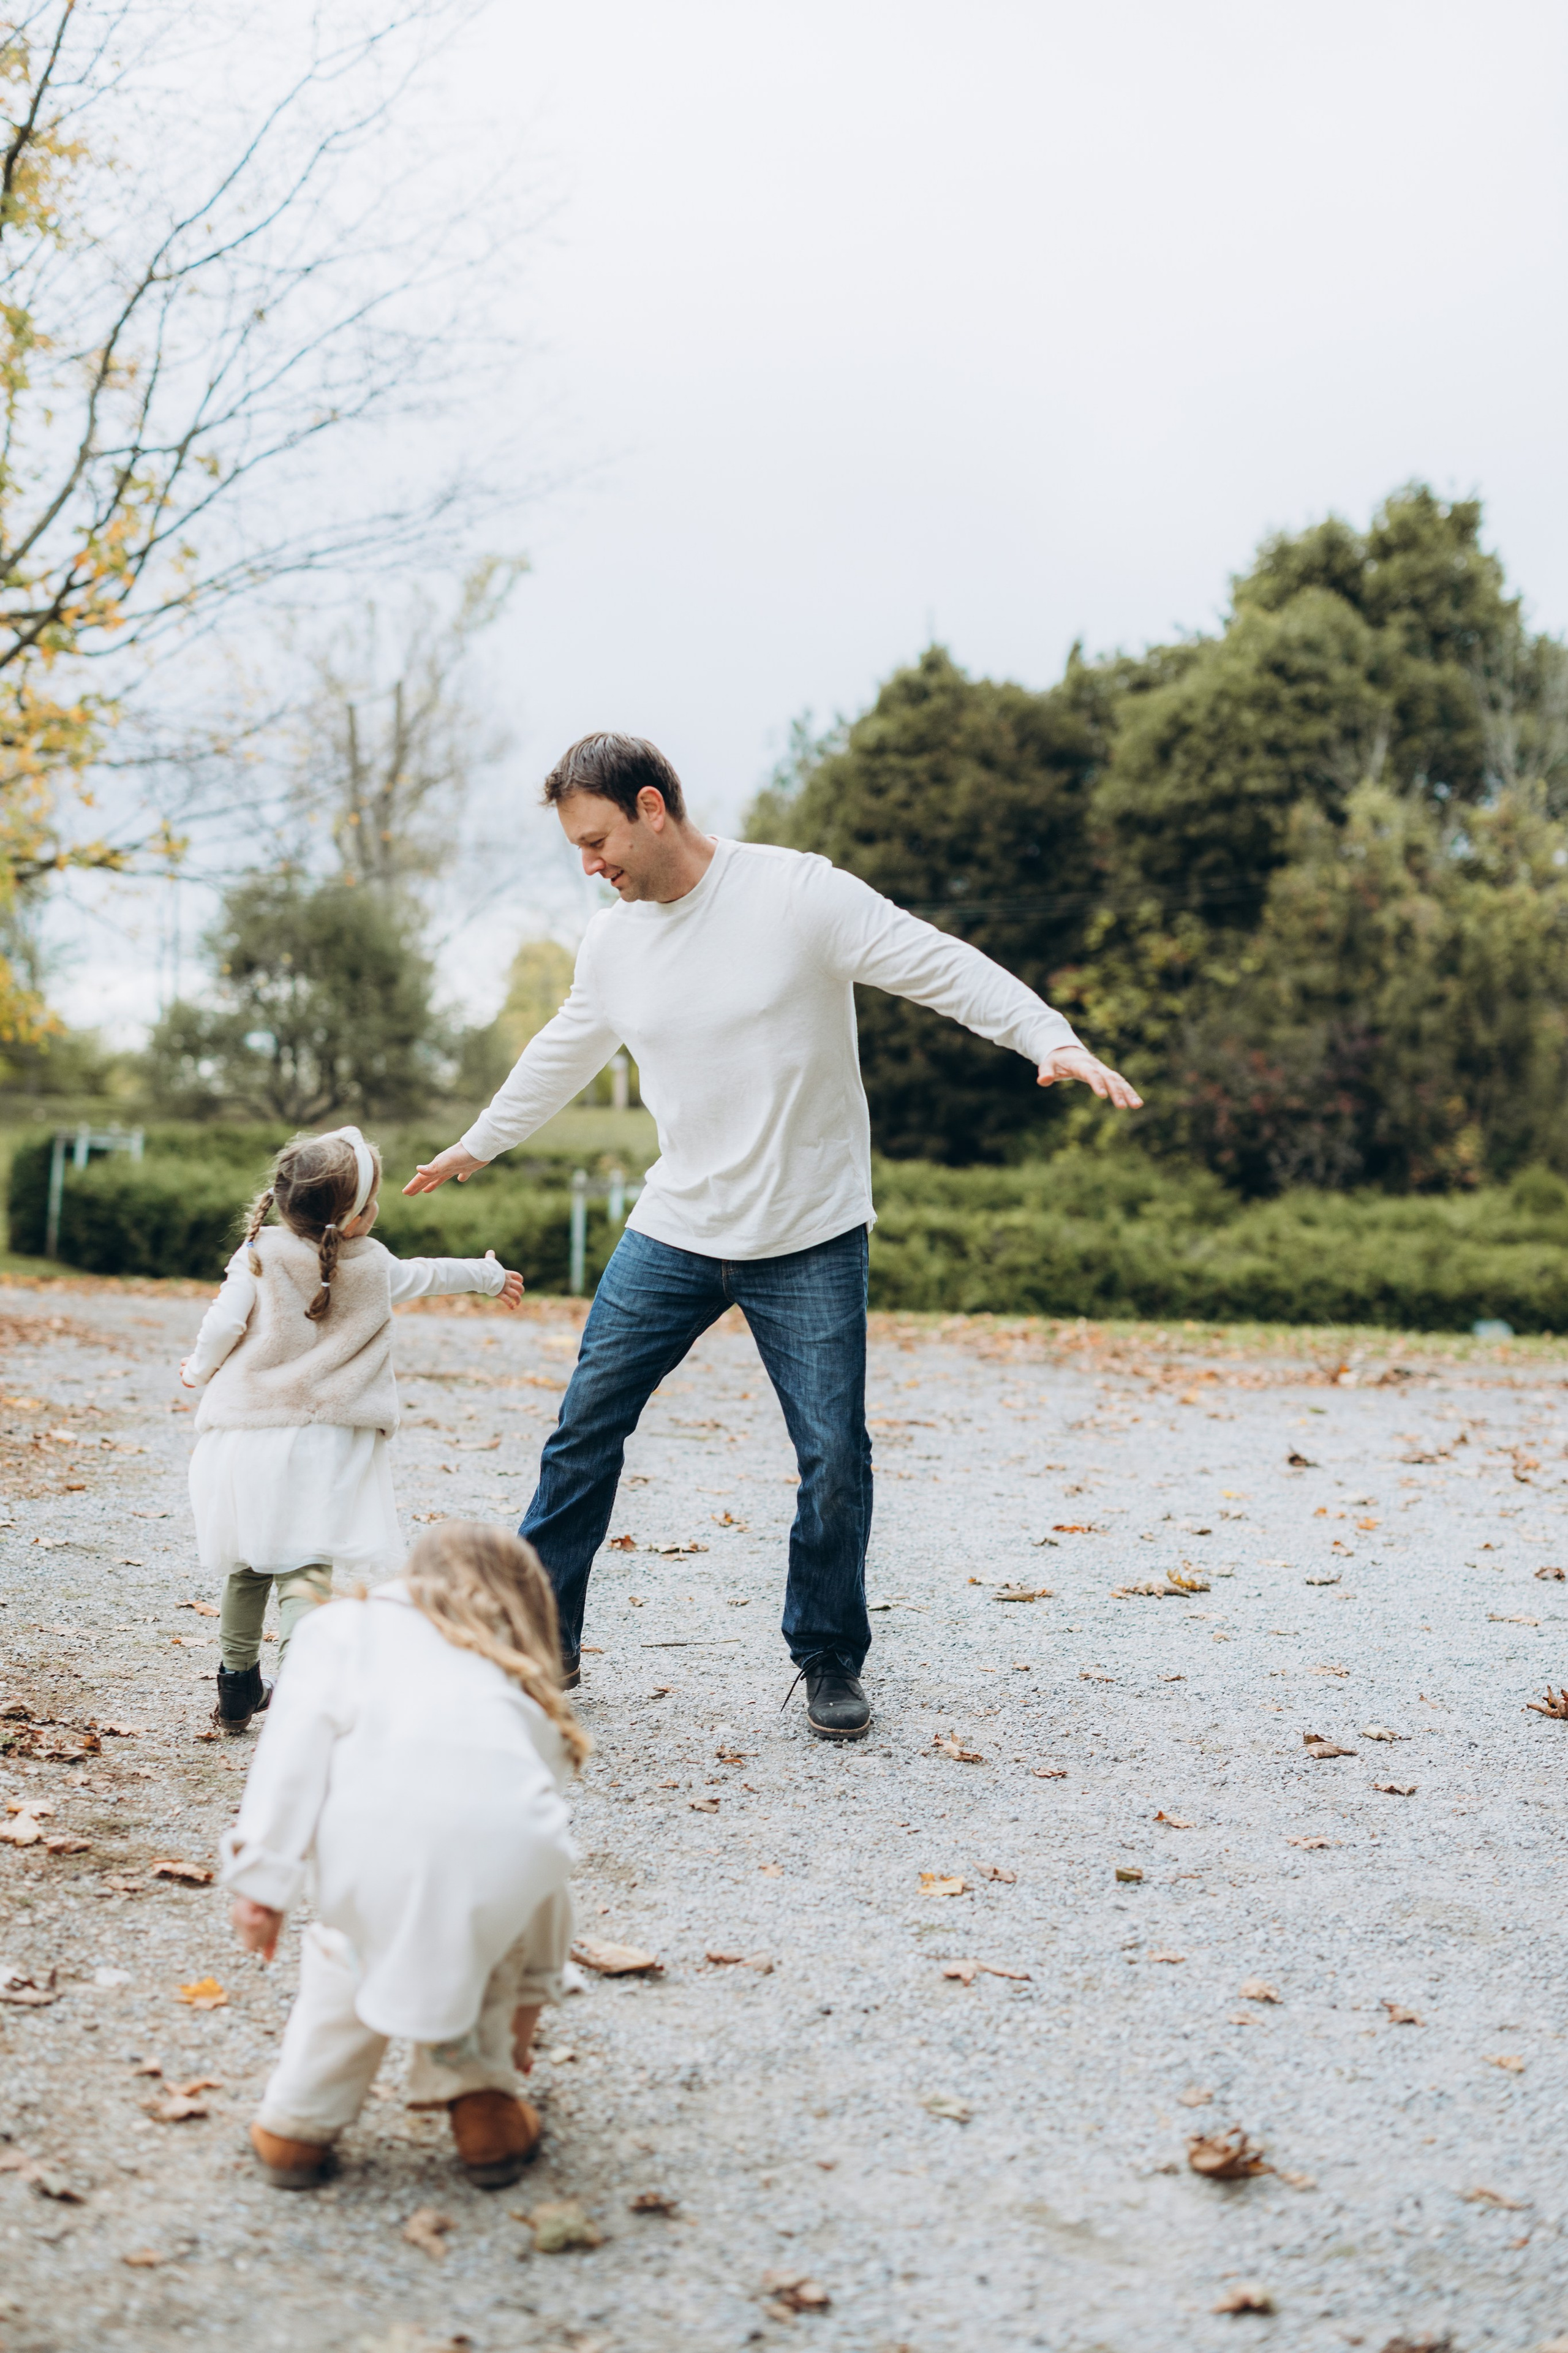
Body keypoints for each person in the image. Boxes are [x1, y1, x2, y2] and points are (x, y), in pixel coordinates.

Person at [404, 733, 1141, 1741]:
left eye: (598, 840)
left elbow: (941, 964)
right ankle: (542, 1641)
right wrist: (477, 1146)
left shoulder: (797, 898)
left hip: (810, 1232)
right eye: (577, 849)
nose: (590, 866)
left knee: (834, 1450)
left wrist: (1048, 1037)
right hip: (676, 1227)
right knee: (584, 1430)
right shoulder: (613, 941)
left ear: (652, 806)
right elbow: (565, 1044)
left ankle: (830, 1657)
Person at [222, 1522, 584, 2191]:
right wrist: (527, 2014)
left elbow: (291, 1760)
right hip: (508, 1860)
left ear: (413, 1579)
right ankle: (485, 2115)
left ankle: (295, 2129)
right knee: (478, 1939)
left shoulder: (344, 1630)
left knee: (348, 1953)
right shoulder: (518, 1673)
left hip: (370, 1850)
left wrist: (264, 1883)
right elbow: (533, 1808)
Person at [181, 1126, 524, 1732]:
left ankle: (236, 1686)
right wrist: (489, 1275)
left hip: (250, 1434)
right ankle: (298, 1691)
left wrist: (198, 1367)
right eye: (374, 1202)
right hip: (328, 1442)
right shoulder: (375, 1265)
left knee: (247, 1563)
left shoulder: (258, 1252)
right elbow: (434, 1274)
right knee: (305, 1568)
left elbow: (222, 1323)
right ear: (356, 1218)